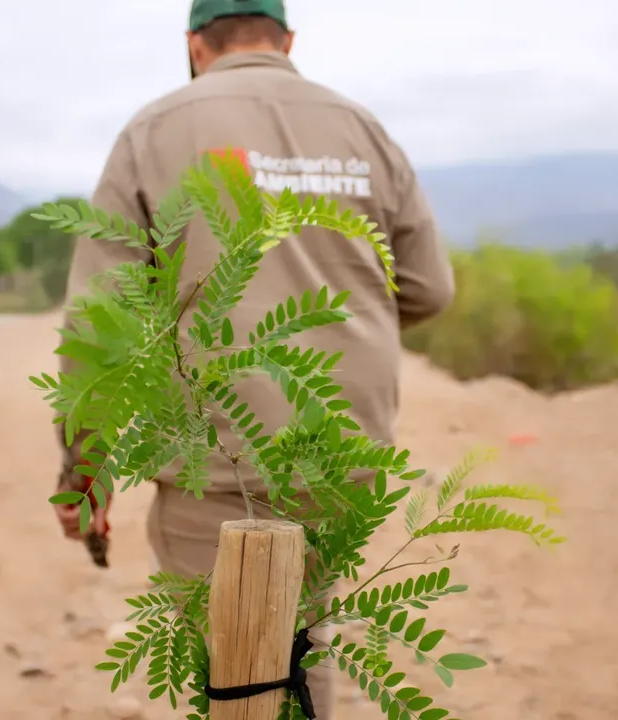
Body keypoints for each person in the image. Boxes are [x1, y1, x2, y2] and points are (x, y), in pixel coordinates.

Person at [54, 0, 455, 716]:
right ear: (286, 40)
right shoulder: (362, 128)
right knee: (301, 649)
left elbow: (100, 321)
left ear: (193, 45)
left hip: (216, 452)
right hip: (345, 450)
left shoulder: (156, 129)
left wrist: (84, 467)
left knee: (228, 668)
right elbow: (428, 288)